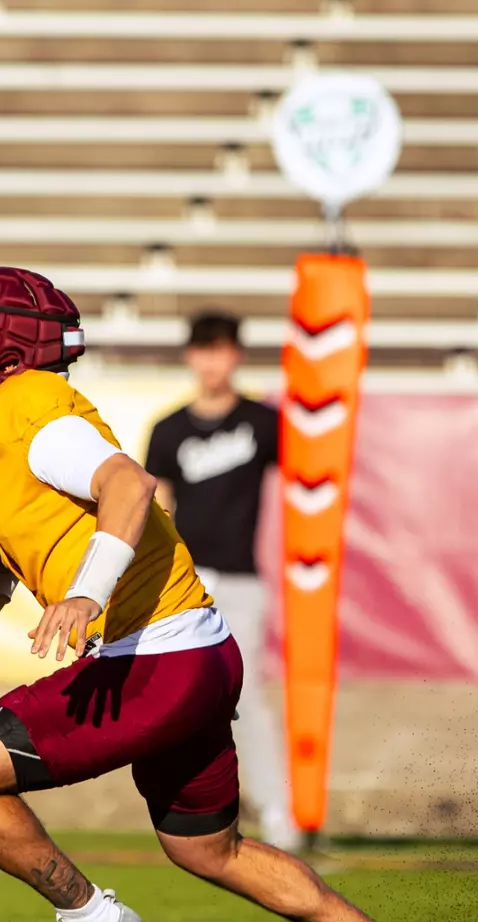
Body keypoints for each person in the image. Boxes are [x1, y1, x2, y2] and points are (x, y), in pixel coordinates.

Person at [0, 266, 441, 922]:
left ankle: (89, 918)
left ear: (1, 357)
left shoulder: (25, 405)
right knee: (208, 850)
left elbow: (128, 483)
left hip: (155, 657)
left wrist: (87, 591)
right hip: (194, 653)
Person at [144, 311, 298, 851]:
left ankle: (278, 814)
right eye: (204, 350)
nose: (213, 362)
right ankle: (193, 814)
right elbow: (158, 507)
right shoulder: (169, 429)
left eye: (222, 350)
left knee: (246, 696)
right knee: (180, 699)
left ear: (237, 355)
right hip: (186, 584)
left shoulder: (263, 421)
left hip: (241, 578)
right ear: (191, 356)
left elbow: (307, 481)